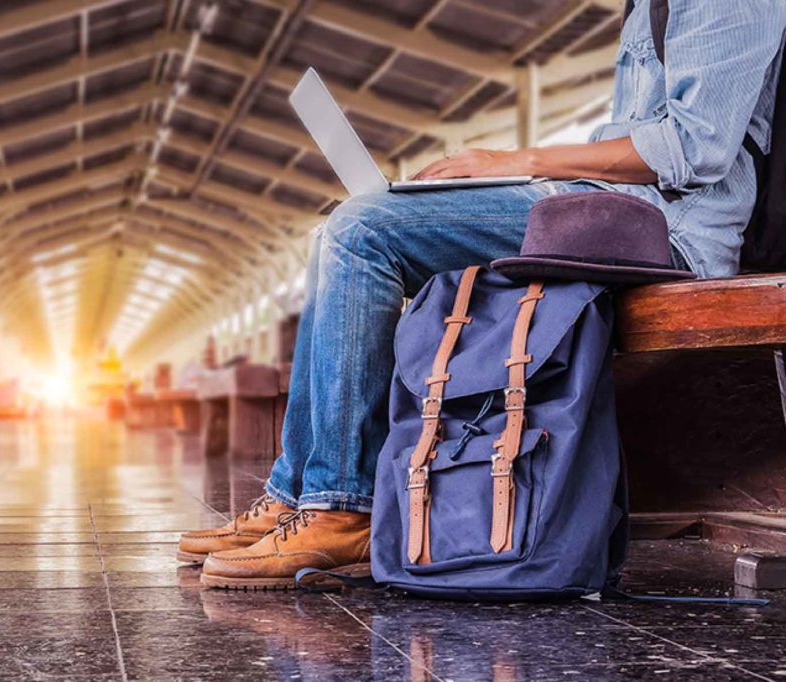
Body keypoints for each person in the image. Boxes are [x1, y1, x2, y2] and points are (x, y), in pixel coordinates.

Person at [179, 1, 786, 590]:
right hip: (607, 206)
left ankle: (345, 507)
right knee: (340, 228)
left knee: (361, 232)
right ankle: (294, 496)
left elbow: (694, 148)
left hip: (665, 230)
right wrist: (518, 176)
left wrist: (517, 159)